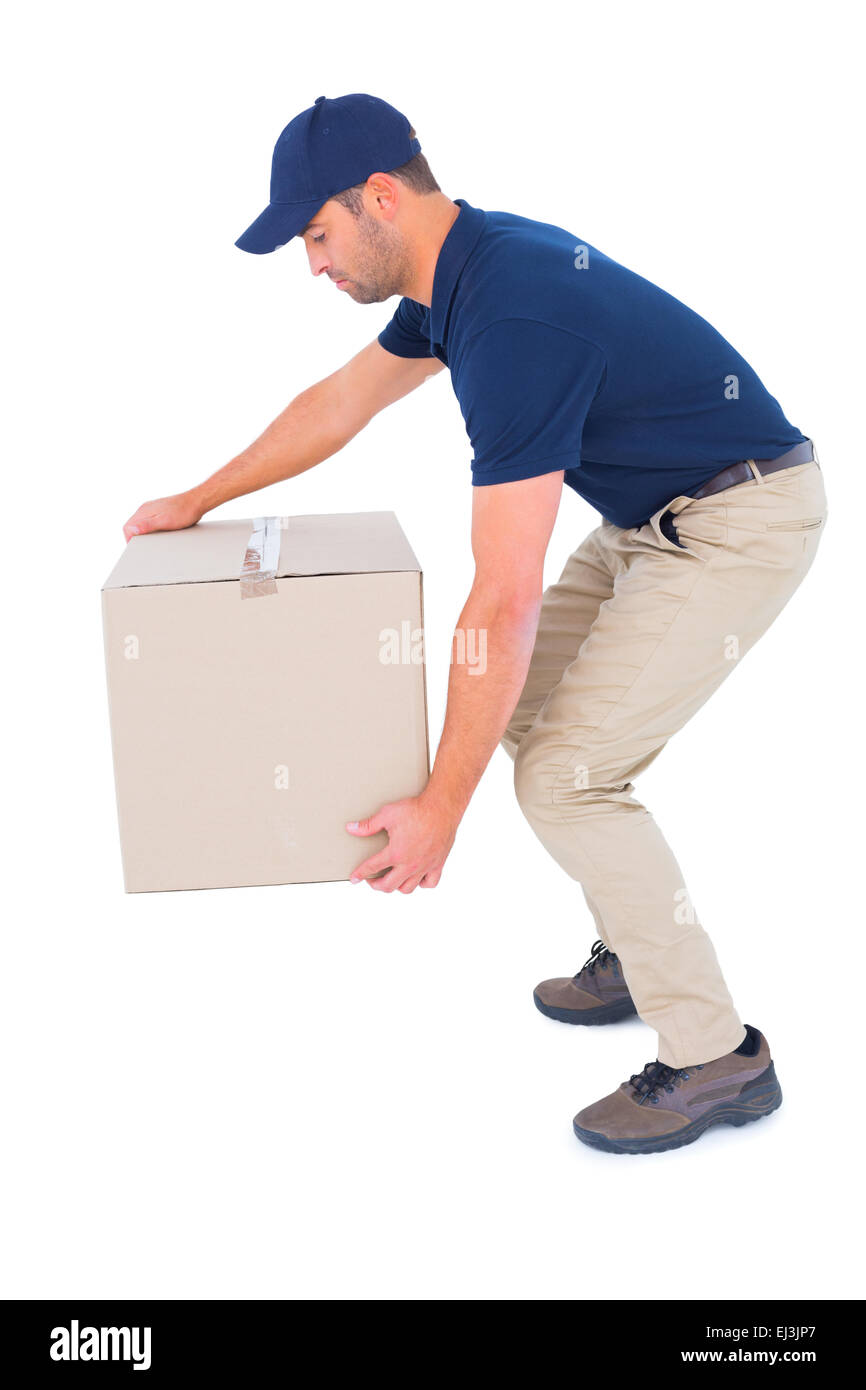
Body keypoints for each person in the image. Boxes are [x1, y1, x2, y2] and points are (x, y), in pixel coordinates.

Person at [124, 94, 828, 1155]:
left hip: (739, 518)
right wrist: (198, 497)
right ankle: (637, 949)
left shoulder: (512, 316)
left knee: (562, 775)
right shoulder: (456, 275)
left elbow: (500, 600)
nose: (311, 264)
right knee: (533, 716)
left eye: (313, 235)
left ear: (377, 198)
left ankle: (716, 1057)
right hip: (656, 515)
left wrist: (438, 811)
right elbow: (340, 402)